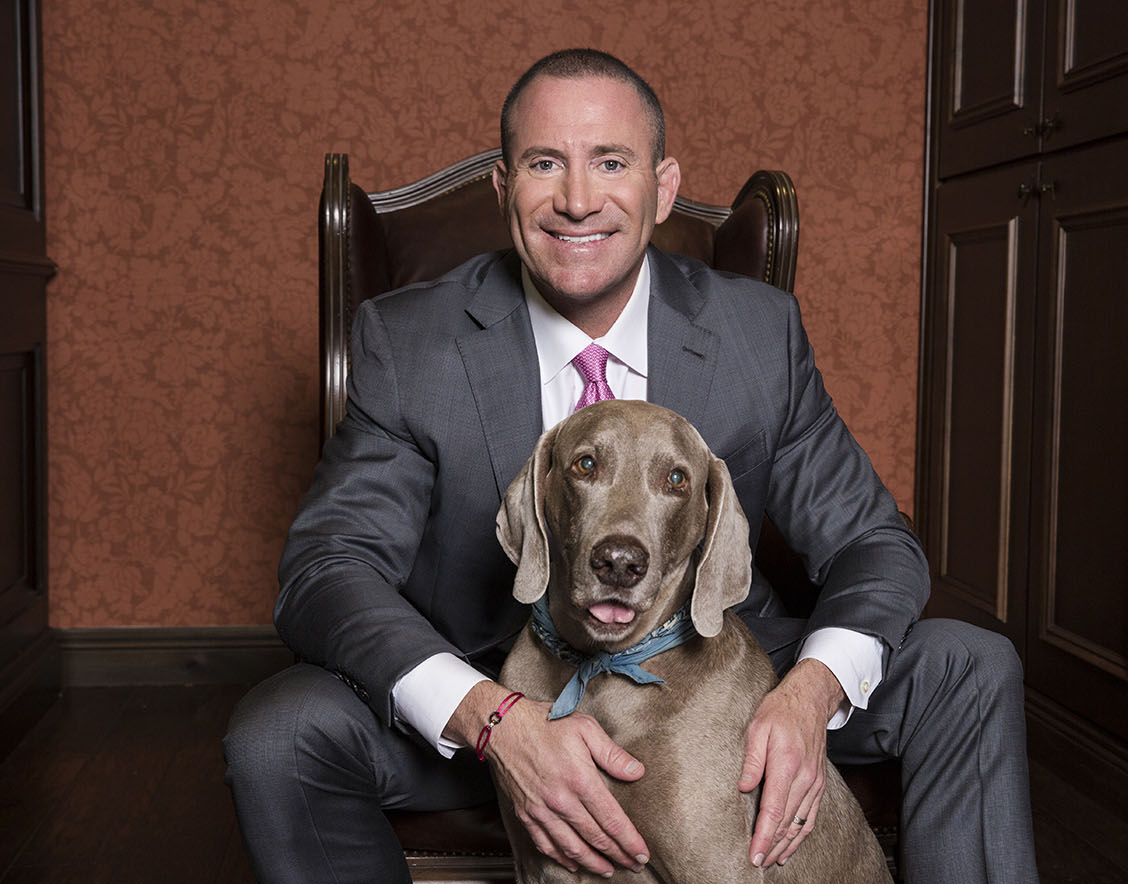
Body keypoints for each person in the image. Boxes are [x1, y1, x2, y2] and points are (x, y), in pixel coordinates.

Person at [224, 49, 1039, 884]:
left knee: (968, 667)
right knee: (278, 735)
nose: (578, 201)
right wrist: (492, 717)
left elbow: (875, 541)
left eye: (610, 163)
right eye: (546, 164)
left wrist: (807, 696)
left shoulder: (756, 333)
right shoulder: (411, 343)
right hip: (486, 687)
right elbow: (326, 567)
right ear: (505, 189)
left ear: (663, 185)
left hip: (716, 686)